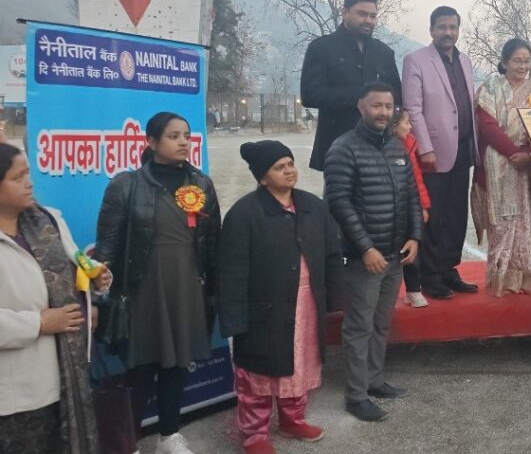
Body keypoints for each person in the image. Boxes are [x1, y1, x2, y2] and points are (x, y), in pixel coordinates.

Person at [94, 112, 221, 454]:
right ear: (151, 142)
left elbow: (212, 242)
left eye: (187, 136)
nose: (183, 142)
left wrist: (215, 291)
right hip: (143, 289)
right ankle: (127, 443)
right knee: (141, 367)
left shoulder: (201, 184)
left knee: (177, 363)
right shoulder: (126, 185)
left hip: (186, 287)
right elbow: (108, 243)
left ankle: (168, 435)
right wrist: (98, 286)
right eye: (173, 136)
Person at [217, 141, 345, 454]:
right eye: (279, 167)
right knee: (259, 373)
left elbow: (332, 253)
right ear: (262, 177)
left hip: (307, 305)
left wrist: (336, 298)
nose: (289, 171)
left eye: (290, 163)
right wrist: (234, 319)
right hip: (264, 310)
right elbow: (231, 272)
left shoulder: (313, 206)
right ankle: (255, 435)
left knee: (299, 363)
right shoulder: (244, 214)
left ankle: (292, 420)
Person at [324, 82, 422, 422]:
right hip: (363, 259)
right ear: (361, 107)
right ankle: (356, 395)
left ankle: (374, 380)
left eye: (388, 106)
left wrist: (415, 237)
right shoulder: (343, 149)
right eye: (376, 105)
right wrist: (365, 247)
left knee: (381, 323)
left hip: (395, 255)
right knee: (359, 326)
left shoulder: (397, 147)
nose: (383, 112)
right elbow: (338, 203)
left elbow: (412, 196)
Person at [0, 142, 105, 454]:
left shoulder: (48, 222)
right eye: (17, 177)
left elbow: (74, 265)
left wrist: (94, 281)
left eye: (28, 174)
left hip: (64, 379)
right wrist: (39, 323)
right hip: (15, 393)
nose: (29, 183)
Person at [471, 38, 531, 297]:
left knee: (523, 223)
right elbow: (487, 125)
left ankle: (523, 278)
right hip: (496, 163)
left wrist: (527, 154)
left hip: (525, 166)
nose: (523, 66)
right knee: (500, 224)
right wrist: (513, 152)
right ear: (504, 62)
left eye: (526, 61)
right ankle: (500, 278)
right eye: (517, 61)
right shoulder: (491, 87)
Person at [402, 6, 478, 300]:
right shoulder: (416, 60)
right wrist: (426, 148)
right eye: (442, 27)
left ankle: (449, 269)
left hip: (463, 149)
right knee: (433, 216)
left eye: (453, 27)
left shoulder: (465, 61)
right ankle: (430, 276)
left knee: (456, 215)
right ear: (432, 29)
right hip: (434, 152)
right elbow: (413, 108)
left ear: (458, 30)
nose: (448, 32)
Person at [300, 0, 402, 172]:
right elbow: (310, 95)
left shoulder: (384, 53)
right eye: (362, 14)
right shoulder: (321, 48)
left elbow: (397, 96)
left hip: (379, 145)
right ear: (345, 12)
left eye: (372, 16)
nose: (368, 20)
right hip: (337, 144)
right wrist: (360, 96)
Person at [392, 108, 431, 308]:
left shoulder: (410, 144)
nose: (410, 126)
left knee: (412, 246)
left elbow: (417, 178)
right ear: (393, 126)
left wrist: (423, 205)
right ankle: (387, 291)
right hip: (389, 208)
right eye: (406, 123)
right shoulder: (383, 147)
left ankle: (413, 289)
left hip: (409, 206)